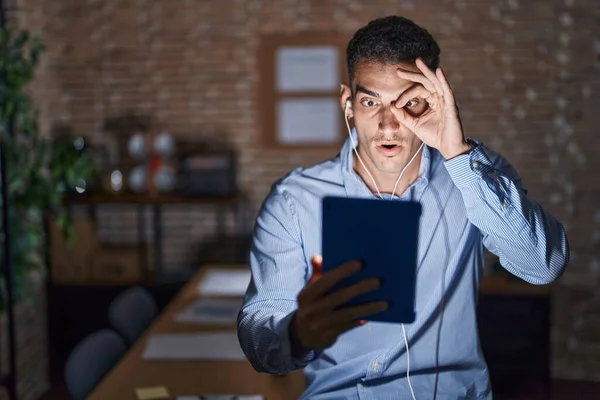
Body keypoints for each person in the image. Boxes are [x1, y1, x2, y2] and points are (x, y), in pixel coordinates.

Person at [237, 15, 569, 400]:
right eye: (370, 101)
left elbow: (543, 267)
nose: (389, 125)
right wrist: (297, 333)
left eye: (409, 102)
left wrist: (457, 155)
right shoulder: (294, 199)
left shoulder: (478, 173)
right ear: (348, 104)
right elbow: (258, 338)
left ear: (435, 101)